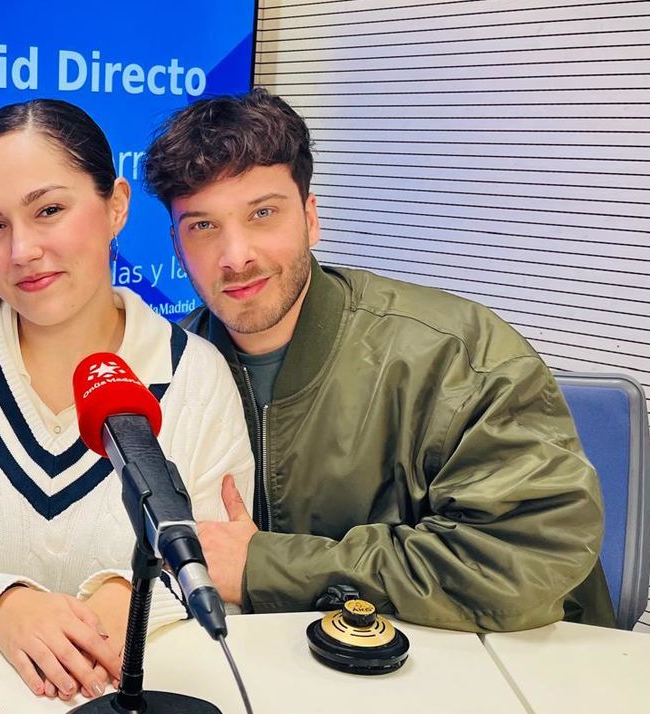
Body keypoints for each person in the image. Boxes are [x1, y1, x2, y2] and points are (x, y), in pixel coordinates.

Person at [141, 88, 615, 631]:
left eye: (263, 214)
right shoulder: (168, 373)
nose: (236, 256)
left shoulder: (454, 355)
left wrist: (267, 567)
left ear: (310, 218)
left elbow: (526, 556)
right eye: (203, 226)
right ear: (177, 246)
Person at [0, 99, 255, 702]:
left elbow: (220, 569)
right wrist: (2, 605)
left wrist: (132, 595)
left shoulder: (196, 376)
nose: (21, 250)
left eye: (48, 210)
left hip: (140, 704)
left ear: (116, 205)